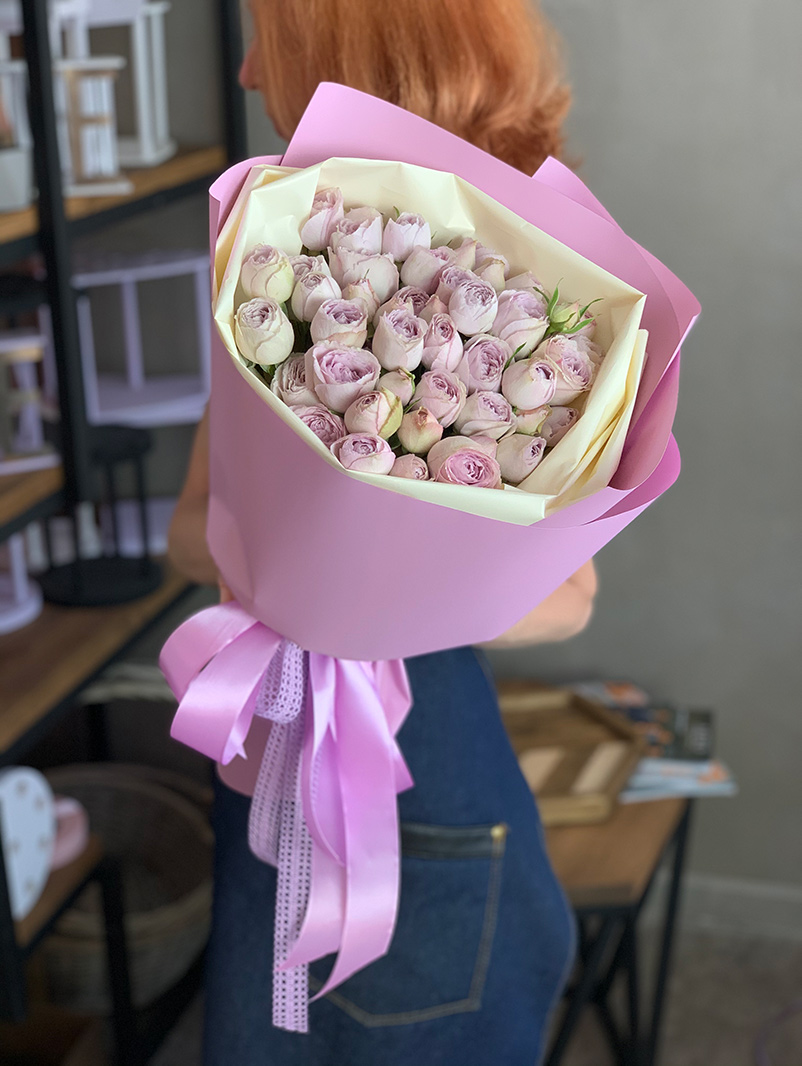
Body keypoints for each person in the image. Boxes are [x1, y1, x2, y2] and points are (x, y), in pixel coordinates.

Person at [168, 2, 597, 1062]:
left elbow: (568, 600)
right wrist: (287, 571)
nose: (246, 68)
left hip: (413, 784)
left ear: (348, 50)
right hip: (266, 748)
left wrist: (364, 596)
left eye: (269, 32)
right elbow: (187, 529)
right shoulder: (283, 255)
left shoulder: (520, 270)